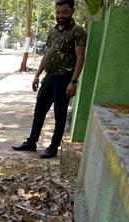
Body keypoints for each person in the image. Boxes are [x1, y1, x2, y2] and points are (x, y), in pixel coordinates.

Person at [12, 0, 86, 158]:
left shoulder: (77, 31)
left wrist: (73, 81)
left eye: (64, 12)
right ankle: (31, 142)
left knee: (59, 114)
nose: (61, 16)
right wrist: (37, 75)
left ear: (72, 11)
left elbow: (80, 58)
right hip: (49, 76)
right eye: (58, 12)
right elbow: (46, 55)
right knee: (39, 110)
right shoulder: (53, 31)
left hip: (64, 78)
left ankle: (53, 147)